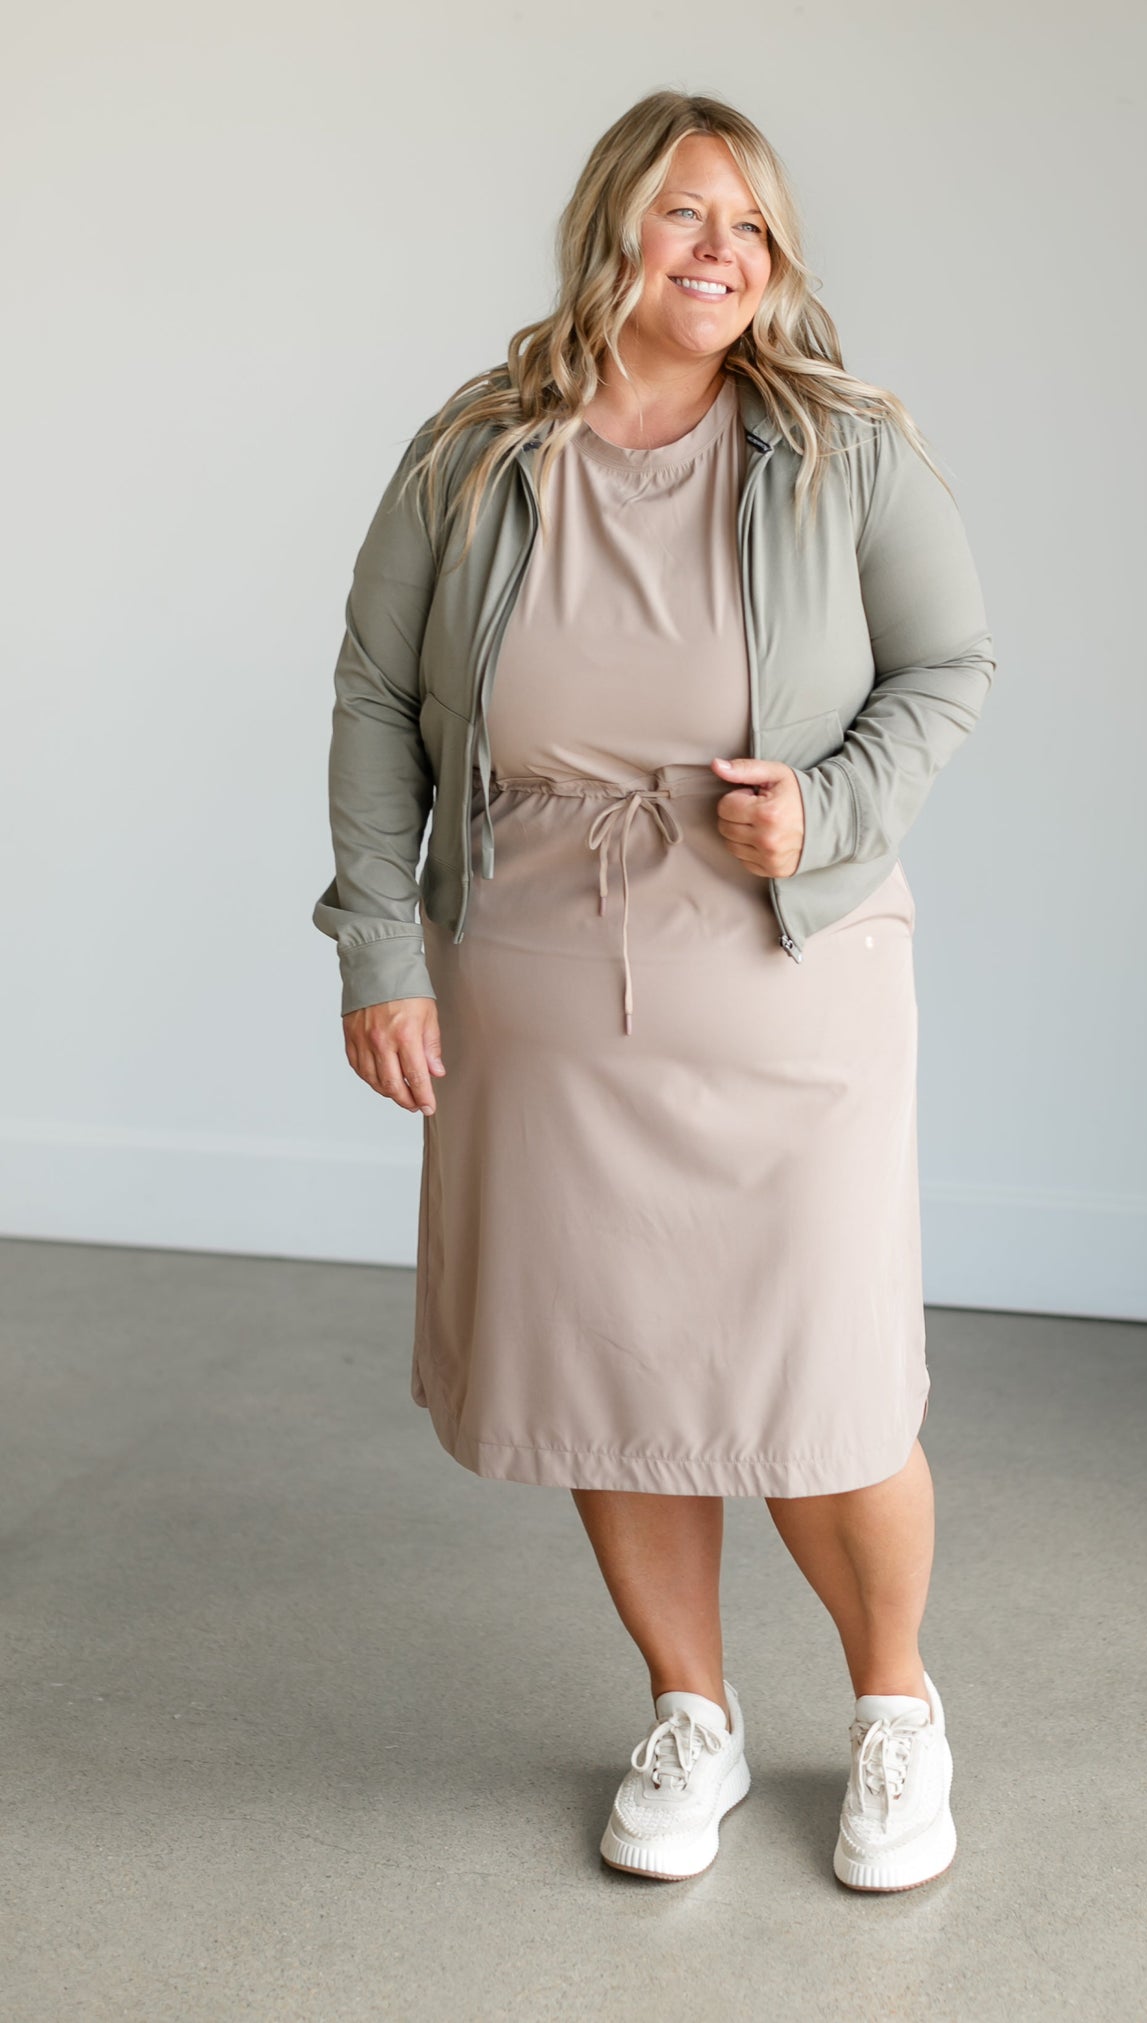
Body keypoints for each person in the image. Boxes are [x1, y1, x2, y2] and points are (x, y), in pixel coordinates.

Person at [313, 88, 995, 1893]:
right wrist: (381, 949)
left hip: (786, 962)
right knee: (614, 1369)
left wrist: (827, 807)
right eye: (689, 213)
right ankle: (689, 1709)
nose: (720, 252)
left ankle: (895, 1710)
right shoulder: (473, 451)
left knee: (826, 1380)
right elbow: (377, 697)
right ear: (611, 224)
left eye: (750, 226)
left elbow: (946, 666)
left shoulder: (844, 448)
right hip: (537, 966)